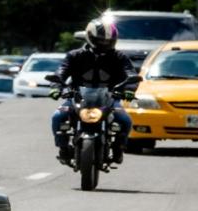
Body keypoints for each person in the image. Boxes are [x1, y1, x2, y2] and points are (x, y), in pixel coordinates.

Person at [49, 18, 137, 165]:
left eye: (108, 41)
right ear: (89, 37)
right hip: (77, 96)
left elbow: (131, 74)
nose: (104, 44)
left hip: (109, 96)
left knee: (125, 121)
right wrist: (56, 87)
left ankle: (118, 148)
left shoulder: (119, 57)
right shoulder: (74, 55)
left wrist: (129, 90)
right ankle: (63, 148)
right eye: (100, 40)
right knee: (58, 117)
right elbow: (61, 72)